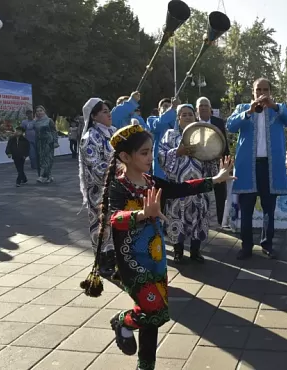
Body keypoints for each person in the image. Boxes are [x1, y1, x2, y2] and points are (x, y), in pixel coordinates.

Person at [80, 123, 235, 370]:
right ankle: (123, 322)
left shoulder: (151, 181)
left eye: (151, 151)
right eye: (144, 152)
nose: (150, 157)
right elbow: (115, 219)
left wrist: (215, 179)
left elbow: (180, 188)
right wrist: (142, 213)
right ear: (125, 157)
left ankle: (146, 365)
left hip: (156, 258)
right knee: (155, 312)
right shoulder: (119, 185)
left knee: (153, 315)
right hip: (132, 262)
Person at [227, 77, 287, 260]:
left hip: (271, 166)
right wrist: (248, 112)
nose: (261, 93)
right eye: (258, 90)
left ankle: (267, 244)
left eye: (265, 89)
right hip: (247, 167)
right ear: (253, 92)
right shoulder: (242, 108)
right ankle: (246, 246)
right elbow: (230, 126)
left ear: (270, 91)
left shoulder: (278, 109)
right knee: (246, 208)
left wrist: (275, 106)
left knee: (269, 207)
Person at [159, 104, 218, 263]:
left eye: (190, 114)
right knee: (176, 218)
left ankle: (195, 251)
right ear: (178, 118)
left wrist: (210, 157)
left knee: (198, 218)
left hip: (198, 186)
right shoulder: (170, 135)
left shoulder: (203, 135)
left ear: (195, 116)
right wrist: (177, 152)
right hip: (178, 186)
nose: (187, 117)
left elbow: (212, 155)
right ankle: (178, 251)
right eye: (183, 114)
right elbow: (161, 156)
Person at [79, 98, 118, 277]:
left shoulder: (114, 132)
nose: (108, 113)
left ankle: (115, 259)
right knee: (101, 225)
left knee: (117, 224)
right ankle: (102, 261)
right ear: (94, 117)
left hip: (118, 187)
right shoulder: (90, 138)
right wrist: (121, 168)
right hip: (99, 190)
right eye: (103, 111)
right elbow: (94, 165)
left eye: (108, 109)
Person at [196, 96, 230, 226]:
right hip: (199, 164)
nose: (203, 108)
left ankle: (221, 221)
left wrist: (226, 162)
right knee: (200, 191)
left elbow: (224, 142)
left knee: (220, 192)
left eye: (206, 105)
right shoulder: (192, 123)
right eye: (201, 106)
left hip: (217, 162)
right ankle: (201, 221)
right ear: (197, 110)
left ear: (210, 109)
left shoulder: (218, 122)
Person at [148, 98, 178, 179]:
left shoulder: (177, 121)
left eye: (169, 106)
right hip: (160, 163)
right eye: (165, 106)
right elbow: (159, 125)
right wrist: (172, 109)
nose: (168, 108)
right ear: (158, 109)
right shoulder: (151, 120)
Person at [34, 105, 58, 183]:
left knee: (48, 159)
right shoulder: (35, 121)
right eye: (37, 111)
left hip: (48, 141)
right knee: (41, 159)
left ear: (44, 111)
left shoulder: (49, 120)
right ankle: (49, 176)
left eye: (41, 110)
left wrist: (55, 141)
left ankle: (42, 176)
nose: (39, 112)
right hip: (39, 142)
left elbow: (54, 131)